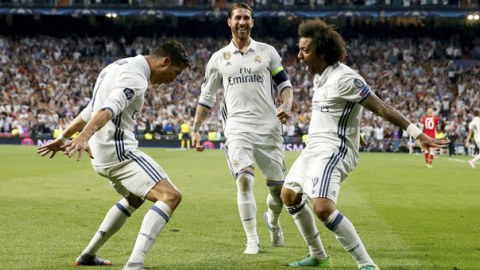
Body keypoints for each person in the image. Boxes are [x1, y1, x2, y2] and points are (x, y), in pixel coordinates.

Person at [281, 18, 450, 270]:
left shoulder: (346, 79)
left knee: (323, 208)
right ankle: (318, 256)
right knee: (289, 196)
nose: (300, 55)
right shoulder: (319, 78)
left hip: (334, 150)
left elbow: (382, 107)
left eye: (305, 49)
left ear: (322, 52)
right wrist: (354, 127)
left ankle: (367, 265)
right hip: (314, 148)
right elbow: (341, 111)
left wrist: (417, 133)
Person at [37, 40, 191, 270]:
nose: (174, 79)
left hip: (100, 157)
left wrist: (62, 138)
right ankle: (134, 264)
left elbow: (89, 110)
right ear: (165, 61)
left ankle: (89, 255)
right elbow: (108, 109)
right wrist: (83, 137)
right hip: (119, 152)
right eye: (175, 73)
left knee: (134, 198)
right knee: (171, 196)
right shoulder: (136, 77)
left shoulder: (114, 67)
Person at [191, 2, 294, 254]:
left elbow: (284, 84)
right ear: (229, 22)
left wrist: (288, 104)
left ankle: (273, 220)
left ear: (252, 22)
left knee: (278, 190)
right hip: (237, 127)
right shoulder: (218, 58)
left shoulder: (268, 52)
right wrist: (196, 128)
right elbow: (207, 97)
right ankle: (252, 239)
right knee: (244, 180)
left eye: (246, 18)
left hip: (269, 128)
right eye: (237, 18)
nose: (242, 22)